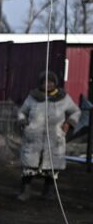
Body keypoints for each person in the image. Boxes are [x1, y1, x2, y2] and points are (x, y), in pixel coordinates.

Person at [16, 70, 81, 201]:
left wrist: (69, 123)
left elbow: (76, 111)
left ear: (55, 83)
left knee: (52, 167)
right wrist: (23, 122)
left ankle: (48, 192)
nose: (48, 84)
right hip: (33, 137)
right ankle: (25, 191)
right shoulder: (33, 97)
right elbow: (22, 111)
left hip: (54, 138)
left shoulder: (63, 98)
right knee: (29, 167)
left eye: (50, 82)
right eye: (45, 82)